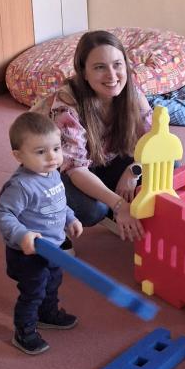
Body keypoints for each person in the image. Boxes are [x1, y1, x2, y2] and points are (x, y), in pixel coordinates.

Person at [35, 30, 152, 242]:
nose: (112, 75)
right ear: (84, 73)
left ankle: (114, 203)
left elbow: (154, 141)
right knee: (92, 210)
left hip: (102, 161)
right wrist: (119, 204)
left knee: (169, 165)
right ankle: (50, 219)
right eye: (100, 67)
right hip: (61, 170)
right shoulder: (66, 104)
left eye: (117, 65)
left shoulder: (131, 93)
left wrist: (134, 170)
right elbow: (76, 169)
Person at [0, 111, 83, 356]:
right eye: (41, 152)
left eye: (56, 148)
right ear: (18, 156)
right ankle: (24, 331)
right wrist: (22, 235)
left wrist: (70, 217)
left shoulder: (52, 173)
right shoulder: (21, 186)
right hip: (29, 253)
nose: (52, 157)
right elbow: (2, 214)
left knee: (53, 283)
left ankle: (47, 314)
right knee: (33, 292)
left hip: (54, 247)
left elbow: (58, 202)